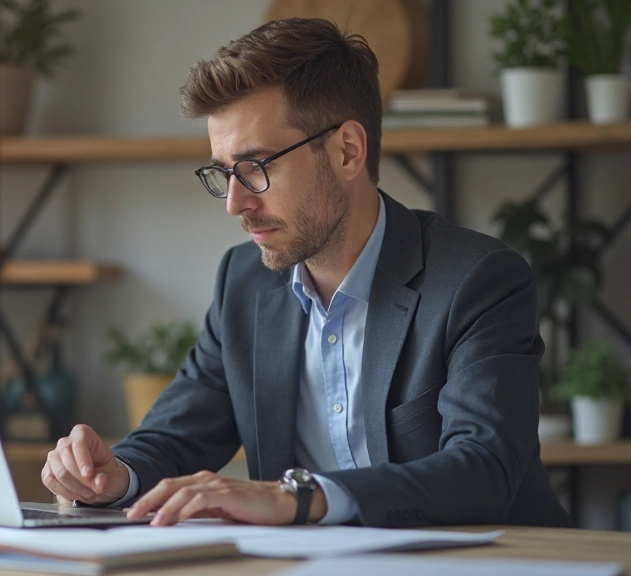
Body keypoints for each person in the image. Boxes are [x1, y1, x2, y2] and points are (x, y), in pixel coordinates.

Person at [41, 17, 573, 528]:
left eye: (257, 167)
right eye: (223, 173)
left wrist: (297, 498)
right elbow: (177, 436)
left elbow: (483, 470)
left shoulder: (477, 281)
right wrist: (114, 476)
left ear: (347, 152)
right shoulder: (242, 283)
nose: (234, 203)